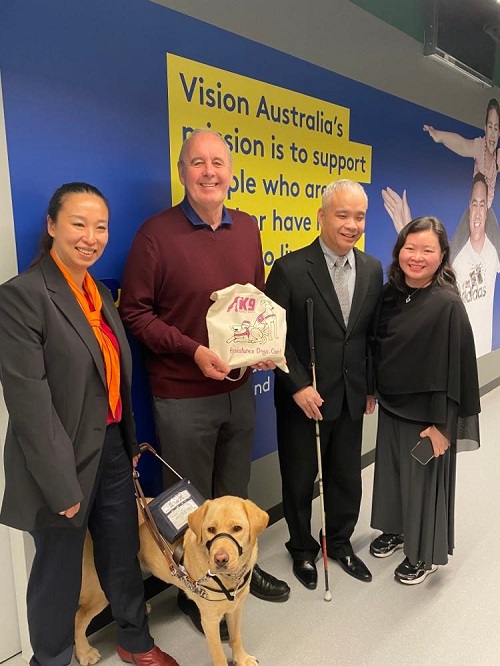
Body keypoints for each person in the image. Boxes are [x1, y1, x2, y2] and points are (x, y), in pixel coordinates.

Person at [119, 130, 290, 636]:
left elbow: (252, 302)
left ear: (230, 171)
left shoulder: (249, 229)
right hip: (182, 395)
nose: (209, 171)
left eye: (218, 162)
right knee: (192, 508)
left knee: (234, 499)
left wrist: (260, 348)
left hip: (237, 393)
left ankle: (238, 573)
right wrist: (192, 350)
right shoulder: (156, 234)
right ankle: (197, 593)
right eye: (198, 163)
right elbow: (134, 312)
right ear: (182, 171)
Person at [0, 183, 179, 666]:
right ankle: (51, 659)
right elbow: (29, 402)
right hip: (58, 462)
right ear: (53, 226)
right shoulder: (22, 297)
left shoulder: (98, 292)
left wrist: (127, 445)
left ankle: (134, 641)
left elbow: (111, 377)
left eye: (100, 226)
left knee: (120, 553)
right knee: (57, 572)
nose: (91, 236)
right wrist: (61, 484)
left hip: (113, 451)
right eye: (78, 224)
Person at [265, 179, 383, 589]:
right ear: (321, 216)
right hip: (305, 397)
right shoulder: (291, 269)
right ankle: (301, 548)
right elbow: (272, 336)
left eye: (360, 216)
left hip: (351, 395)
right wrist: (297, 385)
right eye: (342, 214)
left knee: (346, 474)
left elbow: (368, 334)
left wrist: (369, 386)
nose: (352, 224)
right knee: (299, 476)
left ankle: (339, 542)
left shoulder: (371, 268)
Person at [369, 216, 480, 585]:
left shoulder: (447, 304)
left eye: (427, 250)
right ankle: (397, 531)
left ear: (443, 255)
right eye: (409, 248)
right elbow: (376, 346)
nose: (416, 257)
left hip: (428, 417)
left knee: (422, 486)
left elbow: (458, 373)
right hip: (392, 406)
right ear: (399, 250)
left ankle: (423, 555)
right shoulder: (389, 294)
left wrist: (445, 427)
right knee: (392, 478)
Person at [382, 174, 500, 356]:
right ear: (469, 206)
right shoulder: (456, 257)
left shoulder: (494, 251)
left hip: (484, 359)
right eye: (474, 204)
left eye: (482, 204)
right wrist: (406, 228)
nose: (478, 211)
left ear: (487, 209)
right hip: (454, 355)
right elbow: (427, 268)